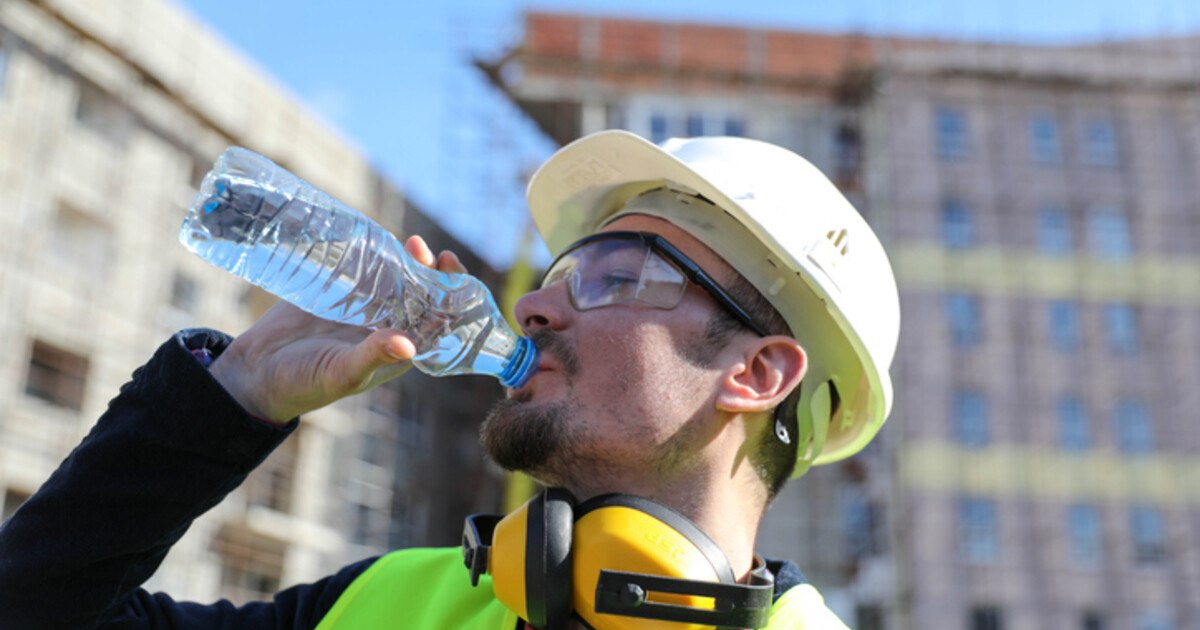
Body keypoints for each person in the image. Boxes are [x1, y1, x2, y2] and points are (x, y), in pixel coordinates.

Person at [0, 130, 899, 629]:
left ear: (757, 370)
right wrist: (231, 396)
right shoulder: (395, 604)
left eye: (616, 276)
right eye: (551, 280)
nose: (536, 311)